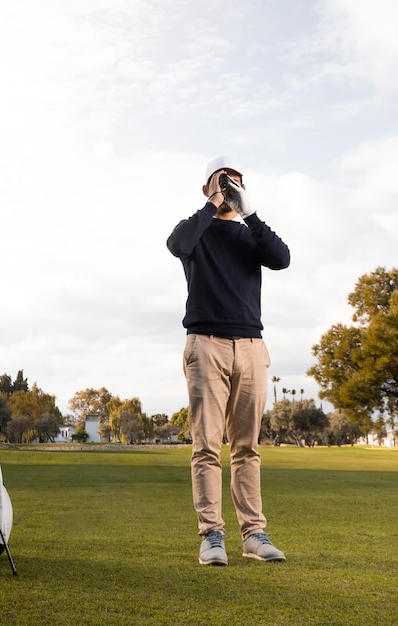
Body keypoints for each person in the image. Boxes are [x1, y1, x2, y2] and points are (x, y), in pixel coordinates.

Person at [166, 156, 290, 566]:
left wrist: (248, 210)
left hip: (252, 346)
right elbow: (177, 244)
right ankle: (212, 536)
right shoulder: (196, 232)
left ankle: (254, 535)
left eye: (236, 183)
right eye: (222, 183)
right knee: (206, 447)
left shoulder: (249, 234)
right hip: (206, 345)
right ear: (206, 188)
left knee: (247, 448)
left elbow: (281, 257)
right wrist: (212, 203)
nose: (229, 190)